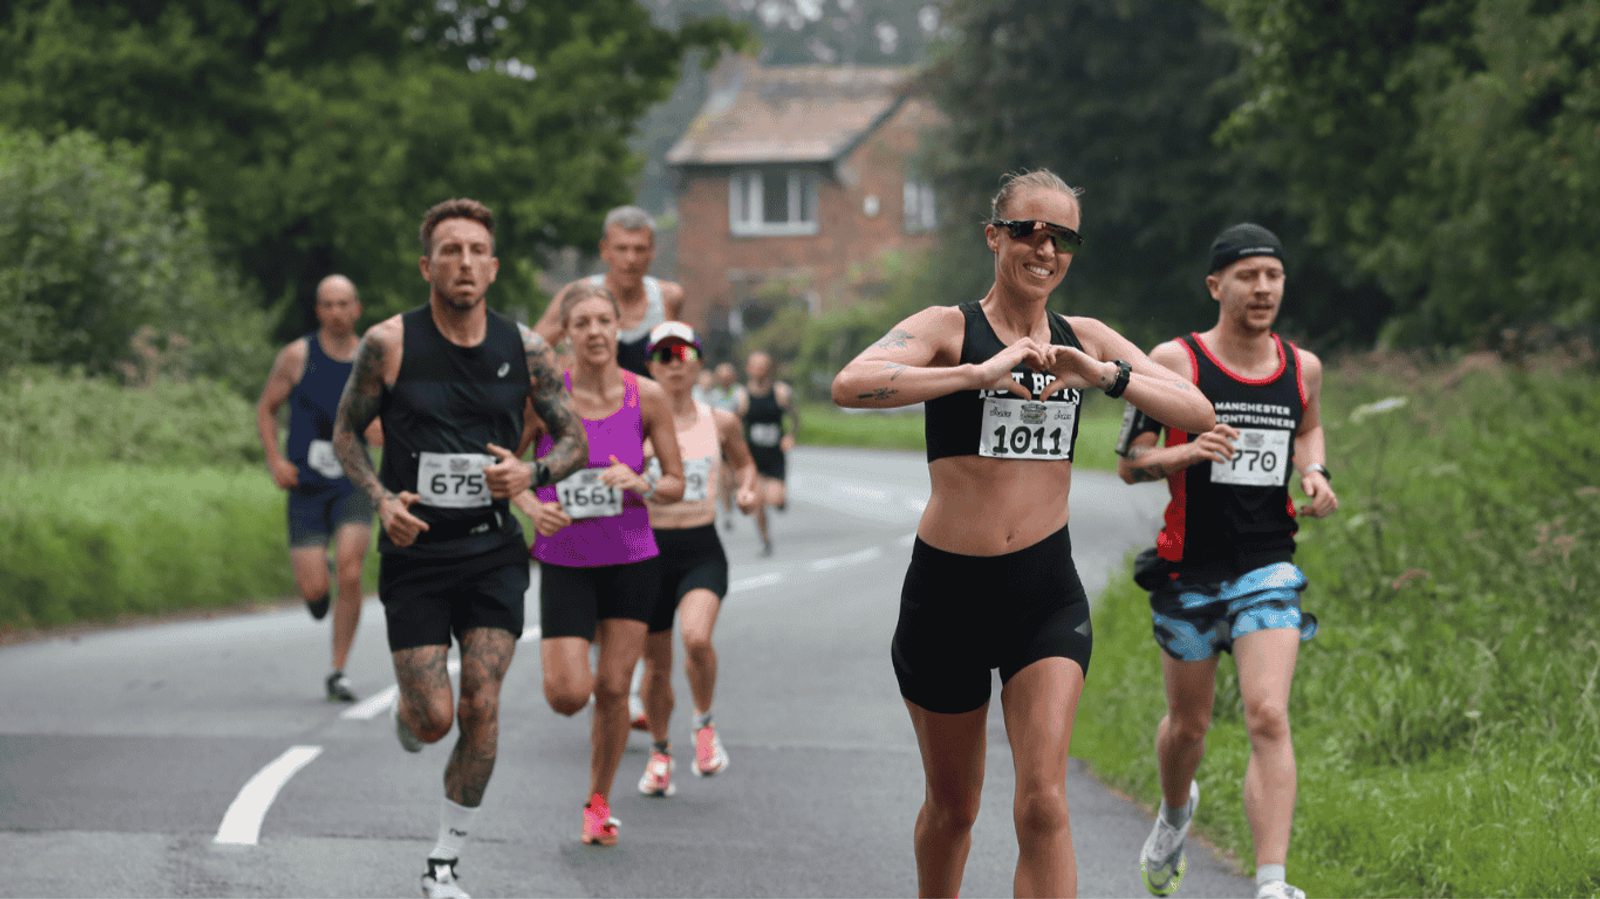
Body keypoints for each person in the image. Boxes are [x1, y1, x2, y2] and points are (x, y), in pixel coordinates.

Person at [831, 169, 1214, 898]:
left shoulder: (1085, 337)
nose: (1044, 247)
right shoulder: (951, 329)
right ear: (994, 236)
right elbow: (852, 383)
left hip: (1042, 593)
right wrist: (974, 374)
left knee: (1044, 801)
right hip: (947, 593)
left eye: (1061, 236)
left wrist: (1102, 374)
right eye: (1027, 230)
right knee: (954, 809)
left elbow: (1196, 408)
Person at [333, 198, 588, 899]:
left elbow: (574, 440)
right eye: (451, 250)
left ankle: (443, 861)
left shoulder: (525, 349)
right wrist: (382, 501)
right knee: (434, 716)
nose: (466, 262)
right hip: (415, 554)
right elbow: (347, 434)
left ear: (495, 266)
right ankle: (411, 709)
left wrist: (529, 474)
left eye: (477, 250)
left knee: (480, 703)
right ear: (427, 265)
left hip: (491, 550)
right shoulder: (390, 344)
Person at [1115, 223, 1338, 899]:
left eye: (1273, 275)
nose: (1263, 287)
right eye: (1248, 275)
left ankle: (1272, 881)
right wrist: (1187, 452)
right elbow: (1130, 463)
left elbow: (1308, 427)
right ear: (1217, 286)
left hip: (1268, 563)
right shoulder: (1175, 362)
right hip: (1188, 569)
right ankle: (1176, 811)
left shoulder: (1304, 367)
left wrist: (1316, 470)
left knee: (1268, 713)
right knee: (1189, 726)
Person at [513, 282, 685, 846]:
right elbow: (509, 470)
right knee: (568, 694)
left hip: (632, 559)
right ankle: (595, 772)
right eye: (580, 322)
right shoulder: (545, 397)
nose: (592, 332)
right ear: (565, 332)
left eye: (602, 322)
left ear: (618, 329)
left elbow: (676, 483)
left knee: (614, 688)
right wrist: (532, 507)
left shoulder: (649, 396)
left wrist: (645, 482)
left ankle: (598, 802)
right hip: (564, 558)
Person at [634, 322, 759, 798]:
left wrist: (746, 489)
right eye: (664, 357)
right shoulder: (634, 422)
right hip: (647, 552)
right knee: (657, 666)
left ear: (698, 363)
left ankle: (703, 725)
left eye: (683, 355)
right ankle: (660, 754)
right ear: (650, 366)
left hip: (700, 548)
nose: (674, 366)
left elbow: (744, 462)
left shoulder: (719, 421)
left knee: (696, 637)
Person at [255, 274, 379, 702]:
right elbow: (267, 409)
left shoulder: (371, 358)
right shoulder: (296, 356)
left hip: (353, 480)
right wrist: (275, 460)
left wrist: (381, 431)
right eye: (328, 305)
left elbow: (385, 423)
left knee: (350, 568)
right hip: (306, 483)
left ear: (357, 309)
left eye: (344, 304)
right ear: (318, 311)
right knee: (313, 591)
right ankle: (317, 585)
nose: (337, 313)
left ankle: (338, 670)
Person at [533, 205, 686, 377]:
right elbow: (532, 353)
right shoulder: (577, 296)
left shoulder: (668, 297)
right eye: (622, 248)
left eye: (639, 249)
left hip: (648, 401)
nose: (631, 259)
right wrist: (563, 373)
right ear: (605, 250)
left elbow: (679, 362)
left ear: (652, 252)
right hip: (590, 401)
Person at [736, 351, 798, 556]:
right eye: (755, 365)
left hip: (774, 457)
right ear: (748, 369)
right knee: (757, 503)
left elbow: (795, 417)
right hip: (753, 458)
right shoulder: (743, 396)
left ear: (769, 368)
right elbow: (734, 425)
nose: (759, 369)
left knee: (776, 501)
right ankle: (765, 541)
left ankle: (781, 500)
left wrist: (790, 435)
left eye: (763, 365)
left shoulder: (780, 392)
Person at [701, 362, 745, 528]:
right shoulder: (713, 394)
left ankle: (735, 495)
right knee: (722, 478)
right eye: (722, 376)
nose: (725, 379)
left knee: (734, 479)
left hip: (735, 440)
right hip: (719, 441)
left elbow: (742, 408)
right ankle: (727, 513)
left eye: (728, 376)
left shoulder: (738, 392)